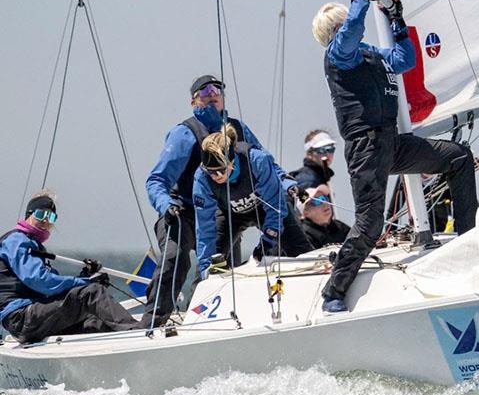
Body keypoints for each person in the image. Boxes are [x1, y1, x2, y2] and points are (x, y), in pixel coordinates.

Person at [312, 0, 479, 313]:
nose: (350, 25)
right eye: (344, 23)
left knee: (459, 157)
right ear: (336, 29)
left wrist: (397, 21)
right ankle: (334, 290)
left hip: (393, 143)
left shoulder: (371, 53)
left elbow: (405, 59)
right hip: (366, 148)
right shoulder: (338, 54)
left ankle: (468, 242)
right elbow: (351, 31)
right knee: (370, 225)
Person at [142, 74, 307, 328]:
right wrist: (166, 205)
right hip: (184, 208)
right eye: (205, 90)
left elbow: (267, 165)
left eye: (218, 88)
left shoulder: (237, 128)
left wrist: (289, 184)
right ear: (193, 100)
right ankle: (154, 322)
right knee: (181, 259)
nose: (213, 92)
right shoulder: (185, 134)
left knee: (240, 265)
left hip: (234, 205)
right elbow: (156, 181)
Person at [0, 192, 139, 344]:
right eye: (41, 214)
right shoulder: (17, 240)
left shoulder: (33, 245)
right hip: (21, 317)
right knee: (92, 293)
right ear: (29, 214)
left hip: (33, 318)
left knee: (96, 321)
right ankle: (139, 335)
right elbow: (41, 281)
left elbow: (54, 287)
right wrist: (86, 283)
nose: (46, 220)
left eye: (51, 217)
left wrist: (85, 275)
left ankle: (132, 352)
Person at [193, 125, 286, 277]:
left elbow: (277, 205)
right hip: (230, 213)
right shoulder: (202, 178)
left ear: (231, 161)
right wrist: (205, 269)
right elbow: (204, 227)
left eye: (221, 170)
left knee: (299, 248)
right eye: (211, 171)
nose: (216, 176)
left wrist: (269, 239)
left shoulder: (257, 160)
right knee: (209, 263)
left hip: (264, 207)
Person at [299, 184, 350, 250]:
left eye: (324, 198)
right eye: (317, 201)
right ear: (306, 211)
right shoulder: (304, 235)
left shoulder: (340, 227)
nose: (324, 203)